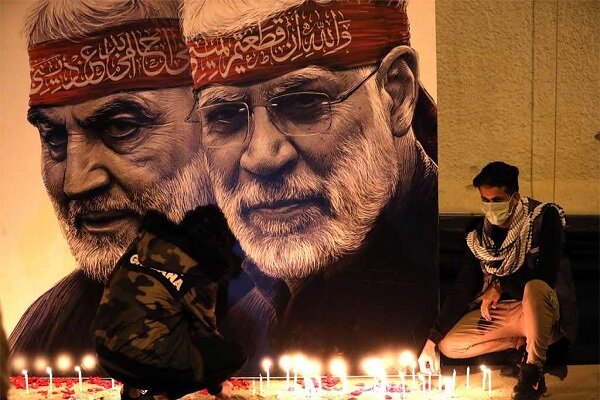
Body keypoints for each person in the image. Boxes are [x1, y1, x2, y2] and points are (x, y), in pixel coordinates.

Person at [182, 0, 438, 372]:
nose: (262, 157)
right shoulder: (235, 312)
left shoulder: (449, 275)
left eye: (304, 102)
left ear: (396, 96)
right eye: (224, 115)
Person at [10, 0, 213, 366]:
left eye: (121, 127)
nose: (75, 183)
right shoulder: (46, 333)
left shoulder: (288, 309)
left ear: (216, 120)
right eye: (54, 138)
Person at [418, 161, 577, 400]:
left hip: (541, 310)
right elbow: (463, 287)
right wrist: (432, 340)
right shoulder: (478, 236)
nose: (491, 207)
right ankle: (522, 345)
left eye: (497, 200)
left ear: (514, 198)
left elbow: (545, 277)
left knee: (535, 288)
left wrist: (499, 286)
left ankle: (531, 374)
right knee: (450, 344)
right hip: (503, 314)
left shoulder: (543, 218)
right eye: (485, 200)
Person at [93, 205, 246, 400]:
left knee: (143, 324)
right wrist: (217, 386)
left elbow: (116, 292)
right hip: (142, 364)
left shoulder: (142, 243)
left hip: (104, 352)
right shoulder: (201, 272)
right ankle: (161, 395)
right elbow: (205, 332)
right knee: (234, 356)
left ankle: (132, 391)